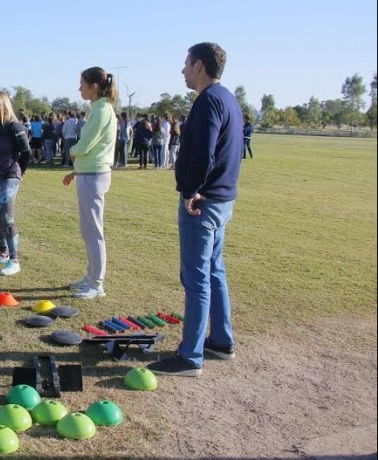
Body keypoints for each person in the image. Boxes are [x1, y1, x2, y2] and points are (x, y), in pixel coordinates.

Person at [148, 42, 244, 377]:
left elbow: (204, 151)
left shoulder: (208, 101)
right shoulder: (228, 98)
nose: (183, 70)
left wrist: (190, 190)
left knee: (196, 277)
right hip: (222, 199)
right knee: (214, 270)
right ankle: (221, 341)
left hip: (203, 202)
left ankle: (190, 356)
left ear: (199, 65)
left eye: (186, 64)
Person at [62, 67, 117, 299]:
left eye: (82, 84)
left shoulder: (102, 110)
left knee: (93, 231)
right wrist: (76, 171)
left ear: (94, 86)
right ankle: (91, 277)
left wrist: (72, 150)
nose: (79, 88)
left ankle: (96, 284)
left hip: (94, 176)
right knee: (88, 230)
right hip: (88, 174)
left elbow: (84, 146)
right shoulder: (98, 109)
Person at [0, 91, 31, 276]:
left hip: (9, 175)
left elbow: (26, 152)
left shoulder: (14, 126)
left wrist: (20, 172)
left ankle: (14, 261)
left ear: (4, 108)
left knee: (6, 216)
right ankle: (3, 254)